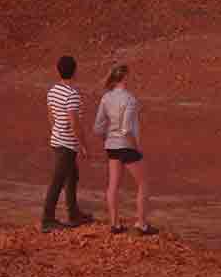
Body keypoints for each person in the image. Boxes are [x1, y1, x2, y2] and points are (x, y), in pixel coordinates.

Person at [92, 63, 157, 236]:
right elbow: (126, 128)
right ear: (125, 77)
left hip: (112, 147)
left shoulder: (106, 98)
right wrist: (135, 147)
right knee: (144, 183)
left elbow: (98, 127)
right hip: (127, 146)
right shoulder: (130, 99)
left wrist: (108, 139)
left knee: (113, 185)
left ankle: (115, 224)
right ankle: (141, 224)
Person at [41, 55, 94, 232]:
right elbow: (75, 123)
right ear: (75, 71)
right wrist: (83, 145)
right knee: (58, 180)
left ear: (58, 71)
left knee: (72, 176)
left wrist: (57, 131)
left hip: (57, 140)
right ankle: (47, 220)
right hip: (67, 144)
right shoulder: (72, 95)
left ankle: (74, 214)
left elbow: (50, 116)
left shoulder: (53, 91)